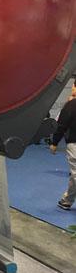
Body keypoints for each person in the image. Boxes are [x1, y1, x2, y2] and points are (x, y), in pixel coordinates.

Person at [50, 78, 76, 211]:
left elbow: (61, 125)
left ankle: (67, 200)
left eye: (73, 86)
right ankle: (67, 200)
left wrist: (54, 142)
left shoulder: (71, 105)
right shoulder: (71, 104)